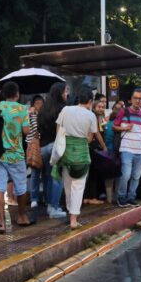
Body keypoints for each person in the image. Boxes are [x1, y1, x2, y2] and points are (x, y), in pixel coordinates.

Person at [52, 86, 98, 229]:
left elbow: (58, 130)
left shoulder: (66, 110)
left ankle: (70, 213)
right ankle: (73, 219)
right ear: (90, 101)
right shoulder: (91, 115)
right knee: (78, 186)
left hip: (66, 152)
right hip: (82, 154)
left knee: (68, 186)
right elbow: (90, 138)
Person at [0, 82, 31, 233]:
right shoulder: (22, 109)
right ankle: (21, 216)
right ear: (17, 94)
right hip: (16, 154)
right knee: (21, 187)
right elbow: (27, 131)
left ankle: (1, 222)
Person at [35, 83, 69, 218]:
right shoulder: (63, 109)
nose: (66, 94)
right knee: (57, 178)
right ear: (60, 93)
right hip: (56, 146)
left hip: (43, 147)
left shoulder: (43, 109)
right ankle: (54, 208)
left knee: (48, 177)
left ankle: (50, 206)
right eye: (65, 92)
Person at [113, 88, 141, 207]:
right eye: (135, 98)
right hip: (126, 149)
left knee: (136, 176)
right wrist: (125, 128)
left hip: (139, 150)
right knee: (126, 174)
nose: (138, 100)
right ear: (131, 99)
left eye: (140, 98)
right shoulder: (123, 112)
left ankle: (131, 196)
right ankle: (121, 197)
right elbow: (114, 127)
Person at [83, 99, 108, 205]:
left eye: (103, 107)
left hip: (95, 148)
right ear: (93, 108)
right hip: (93, 148)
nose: (101, 109)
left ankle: (89, 196)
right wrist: (104, 147)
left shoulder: (101, 119)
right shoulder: (92, 117)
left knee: (93, 173)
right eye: (99, 107)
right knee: (92, 173)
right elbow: (96, 133)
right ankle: (91, 197)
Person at [27, 95, 44, 207]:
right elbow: (28, 130)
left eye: (41, 102)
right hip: (33, 145)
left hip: (44, 144)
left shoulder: (46, 114)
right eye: (37, 103)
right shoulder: (30, 114)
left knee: (46, 173)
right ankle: (34, 198)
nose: (39, 105)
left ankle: (44, 197)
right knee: (34, 173)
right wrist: (29, 113)